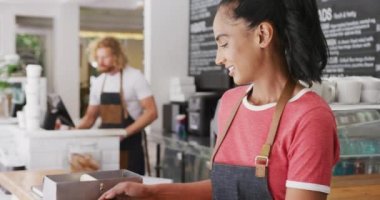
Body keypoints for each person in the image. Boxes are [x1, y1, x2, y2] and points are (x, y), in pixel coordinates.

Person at [98, 0, 339, 199]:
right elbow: (223, 189)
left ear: (262, 35)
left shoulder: (309, 117)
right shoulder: (229, 103)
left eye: (223, 43)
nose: (218, 58)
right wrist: (150, 193)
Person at [77, 37, 158, 175]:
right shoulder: (99, 82)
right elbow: (90, 118)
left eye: (105, 57)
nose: (100, 61)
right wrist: (70, 130)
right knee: (105, 185)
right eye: (98, 57)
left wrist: (124, 133)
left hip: (130, 144)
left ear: (117, 56)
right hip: (106, 146)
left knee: (130, 188)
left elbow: (152, 112)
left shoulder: (134, 77)